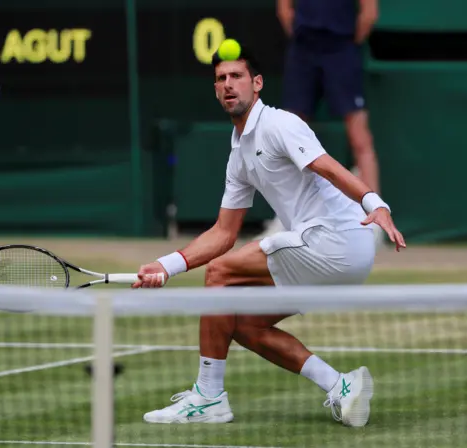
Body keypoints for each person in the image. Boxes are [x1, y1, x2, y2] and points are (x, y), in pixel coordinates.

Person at [133, 44, 405, 427]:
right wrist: (165, 266)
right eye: (221, 79)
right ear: (215, 90)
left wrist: (374, 202)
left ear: (257, 83)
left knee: (219, 274)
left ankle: (209, 397)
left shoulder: (279, 124)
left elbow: (327, 167)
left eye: (237, 77)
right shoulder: (239, 155)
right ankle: (340, 385)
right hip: (334, 255)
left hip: (336, 241)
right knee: (243, 322)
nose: (228, 85)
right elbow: (224, 233)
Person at [257, 0, 380, 241]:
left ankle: (376, 219)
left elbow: (369, 14)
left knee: (359, 137)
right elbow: (284, 9)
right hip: (303, 50)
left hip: (342, 49)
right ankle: (285, 217)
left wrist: (341, 41)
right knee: (287, 135)